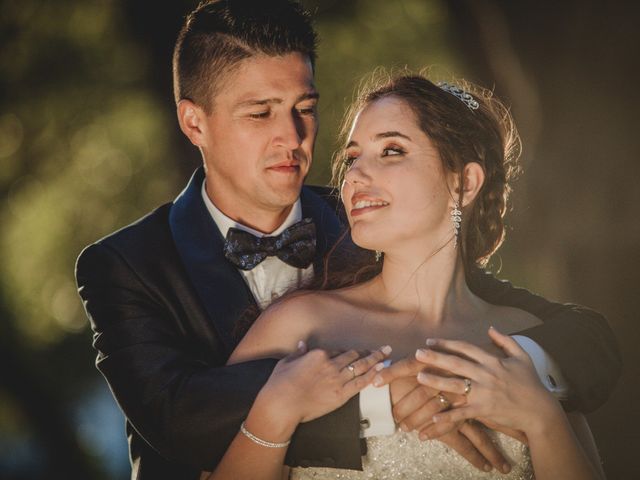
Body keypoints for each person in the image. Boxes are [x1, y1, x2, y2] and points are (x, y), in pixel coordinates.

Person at [74, 1, 619, 478]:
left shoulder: (373, 219)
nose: (292, 137)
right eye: (260, 113)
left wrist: (520, 385)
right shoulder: (125, 266)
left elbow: (582, 336)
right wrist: (376, 398)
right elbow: (177, 418)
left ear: (465, 182)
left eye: (305, 110)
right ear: (194, 124)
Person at [213, 71, 608, 479]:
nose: (355, 177)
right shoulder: (299, 325)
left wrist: (544, 420)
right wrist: (275, 411)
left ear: (464, 182)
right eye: (353, 157)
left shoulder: (527, 341)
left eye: (391, 150)